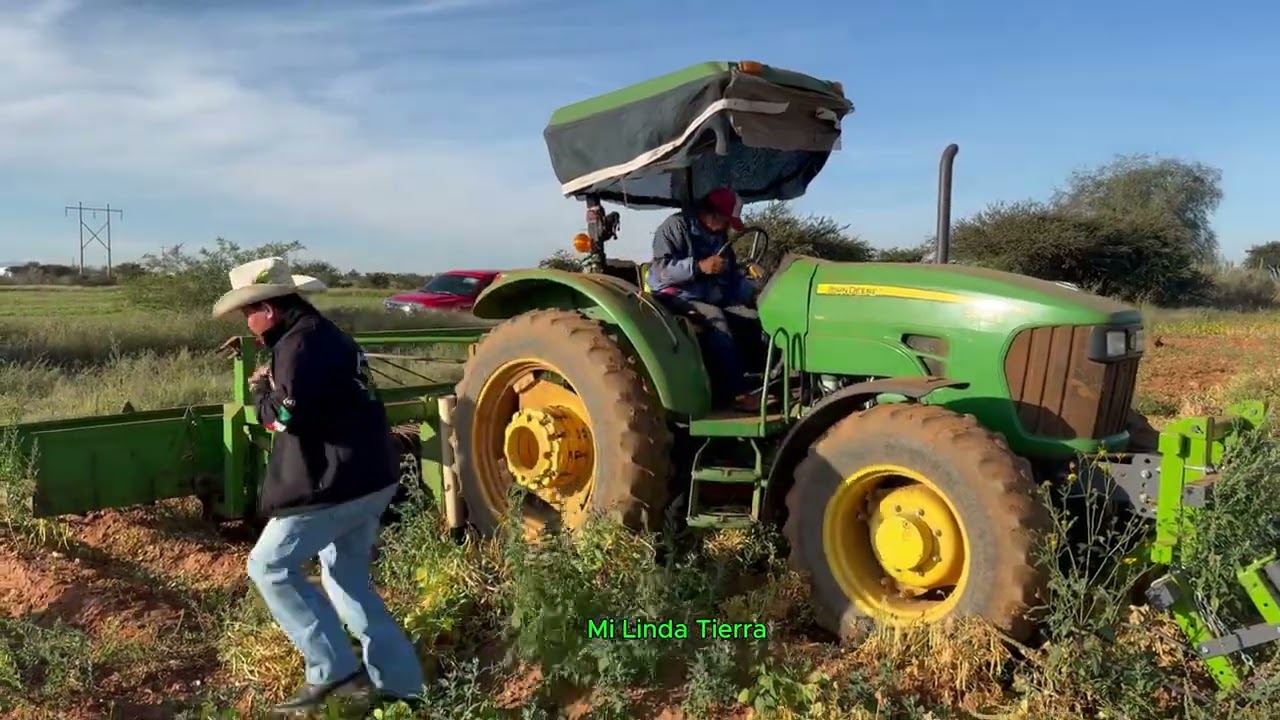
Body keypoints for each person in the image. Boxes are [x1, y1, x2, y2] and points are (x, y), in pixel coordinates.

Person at [211, 257, 424, 714]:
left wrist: (261, 394)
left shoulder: (298, 344)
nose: (247, 325)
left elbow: (283, 418)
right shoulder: (324, 333)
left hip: (334, 482)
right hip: (370, 475)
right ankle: (403, 687)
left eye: (248, 314)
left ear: (267, 309)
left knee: (268, 565)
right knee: (345, 578)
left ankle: (333, 672)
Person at [646, 187, 763, 409]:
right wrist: (699, 267)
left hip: (707, 297)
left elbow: (730, 277)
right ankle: (735, 394)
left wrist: (754, 295)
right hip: (673, 296)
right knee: (716, 320)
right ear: (711, 214)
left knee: (753, 319)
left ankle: (760, 382)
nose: (728, 227)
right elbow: (661, 270)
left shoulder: (719, 235)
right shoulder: (675, 227)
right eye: (727, 221)